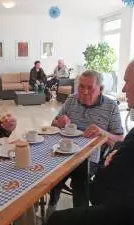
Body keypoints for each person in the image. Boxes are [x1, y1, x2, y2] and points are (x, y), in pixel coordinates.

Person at [47, 54, 134, 225]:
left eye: (127, 81)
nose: (123, 89)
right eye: (81, 87)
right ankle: (53, 201)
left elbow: (100, 193)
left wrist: (111, 152)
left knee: (57, 219)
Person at [47, 70, 124, 215]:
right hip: (65, 149)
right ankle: (52, 204)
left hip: (92, 155)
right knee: (51, 170)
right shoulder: (71, 100)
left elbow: (120, 139)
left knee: (80, 173)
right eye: (81, 87)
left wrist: (103, 133)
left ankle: (80, 214)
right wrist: (59, 122)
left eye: (90, 88)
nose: (84, 92)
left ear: (100, 89)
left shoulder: (110, 106)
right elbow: (53, 124)